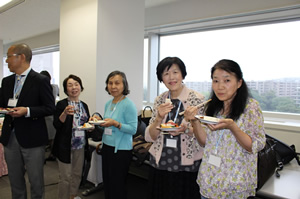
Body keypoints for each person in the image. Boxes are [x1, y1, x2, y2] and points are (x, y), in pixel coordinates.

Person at [184, 59, 266, 199]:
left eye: (227, 80)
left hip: (235, 186)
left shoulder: (250, 107)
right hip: (209, 181)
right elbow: (204, 142)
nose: (220, 86)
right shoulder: (212, 107)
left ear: (239, 83)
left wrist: (232, 127)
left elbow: (254, 146)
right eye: (215, 81)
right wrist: (194, 121)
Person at [144, 57, 205, 199]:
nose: (171, 77)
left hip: (186, 165)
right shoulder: (160, 100)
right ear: (161, 78)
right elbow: (149, 136)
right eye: (166, 74)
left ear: (182, 74)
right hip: (161, 161)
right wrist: (159, 118)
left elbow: (203, 136)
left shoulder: (196, 99)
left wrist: (186, 130)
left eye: (175, 72)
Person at [0, 43, 56, 198]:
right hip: (10, 137)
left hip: (33, 138)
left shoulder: (40, 80)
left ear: (22, 57)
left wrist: (28, 111)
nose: (6, 61)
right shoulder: (6, 81)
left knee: (36, 181)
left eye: (9, 57)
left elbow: (50, 107)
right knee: (15, 180)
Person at [97, 70, 137, 199]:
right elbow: (106, 125)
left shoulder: (128, 104)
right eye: (110, 83)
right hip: (107, 147)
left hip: (121, 151)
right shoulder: (108, 104)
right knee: (108, 182)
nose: (113, 86)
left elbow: (133, 129)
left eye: (117, 83)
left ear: (124, 85)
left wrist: (116, 123)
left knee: (117, 185)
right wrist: (98, 122)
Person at [52, 74, 91, 199]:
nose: (74, 87)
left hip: (80, 145)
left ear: (80, 87)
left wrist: (92, 125)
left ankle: (72, 196)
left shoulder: (84, 105)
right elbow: (57, 125)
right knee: (65, 177)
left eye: (76, 84)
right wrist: (64, 113)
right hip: (65, 145)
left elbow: (86, 124)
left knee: (77, 174)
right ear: (65, 89)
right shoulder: (62, 104)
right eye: (70, 85)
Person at [40, 70, 59, 161]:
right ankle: (53, 154)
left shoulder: (46, 88)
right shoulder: (54, 87)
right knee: (52, 137)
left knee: (46, 137)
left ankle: (46, 156)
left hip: (46, 115)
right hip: (51, 114)